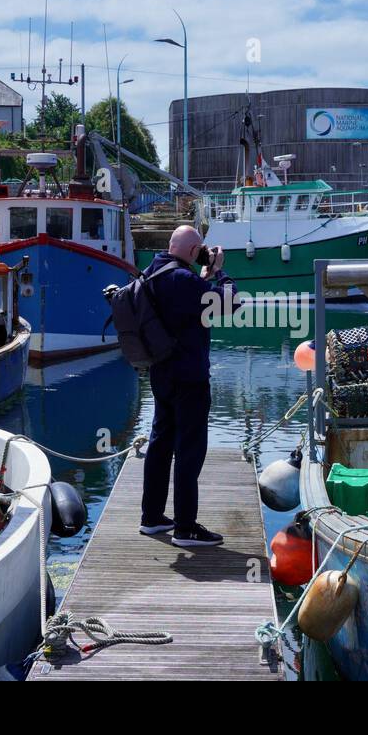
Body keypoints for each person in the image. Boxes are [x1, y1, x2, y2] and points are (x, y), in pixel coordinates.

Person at [138, 226, 237, 547]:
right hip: (189, 377)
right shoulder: (183, 280)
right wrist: (220, 274)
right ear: (194, 251)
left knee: (160, 443)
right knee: (189, 451)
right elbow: (231, 303)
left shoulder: (152, 272)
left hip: (161, 374)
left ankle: (152, 517)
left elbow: (186, 303)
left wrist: (203, 277)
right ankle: (185, 528)